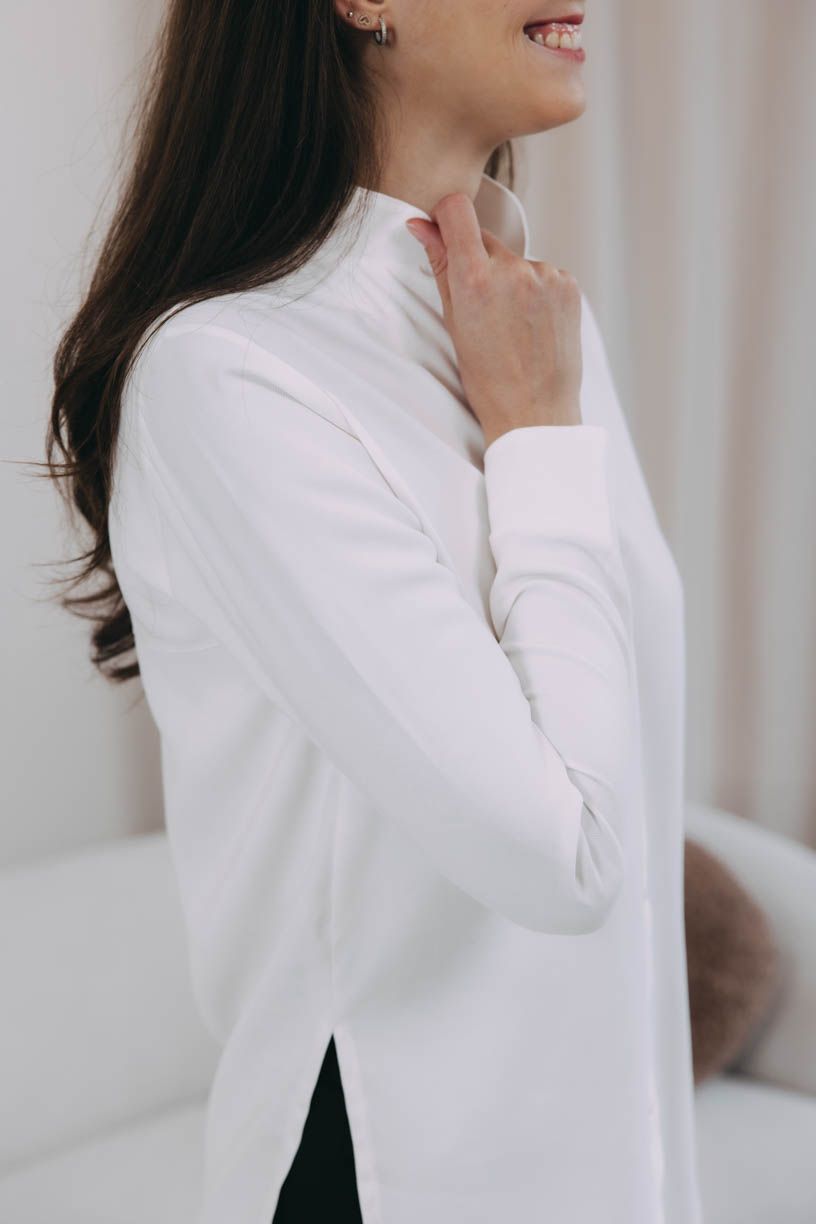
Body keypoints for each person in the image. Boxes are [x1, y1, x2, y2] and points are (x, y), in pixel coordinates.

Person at [46, 1, 704, 1221]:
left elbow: (626, 844)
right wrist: (536, 441)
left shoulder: (530, 325)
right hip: (390, 1172)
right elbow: (567, 857)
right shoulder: (226, 372)